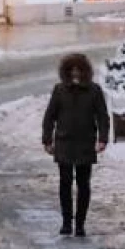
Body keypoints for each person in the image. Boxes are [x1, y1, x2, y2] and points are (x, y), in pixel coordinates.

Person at [41, 52, 109, 238]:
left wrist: (102, 139)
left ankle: (80, 224)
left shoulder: (94, 91)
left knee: (83, 184)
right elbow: (49, 117)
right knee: (65, 183)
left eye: (79, 69)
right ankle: (66, 222)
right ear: (67, 71)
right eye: (72, 70)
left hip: (85, 143)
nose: (76, 73)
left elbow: (103, 117)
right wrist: (47, 140)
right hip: (64, 143)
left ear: (85, 71)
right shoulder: (59, 90)